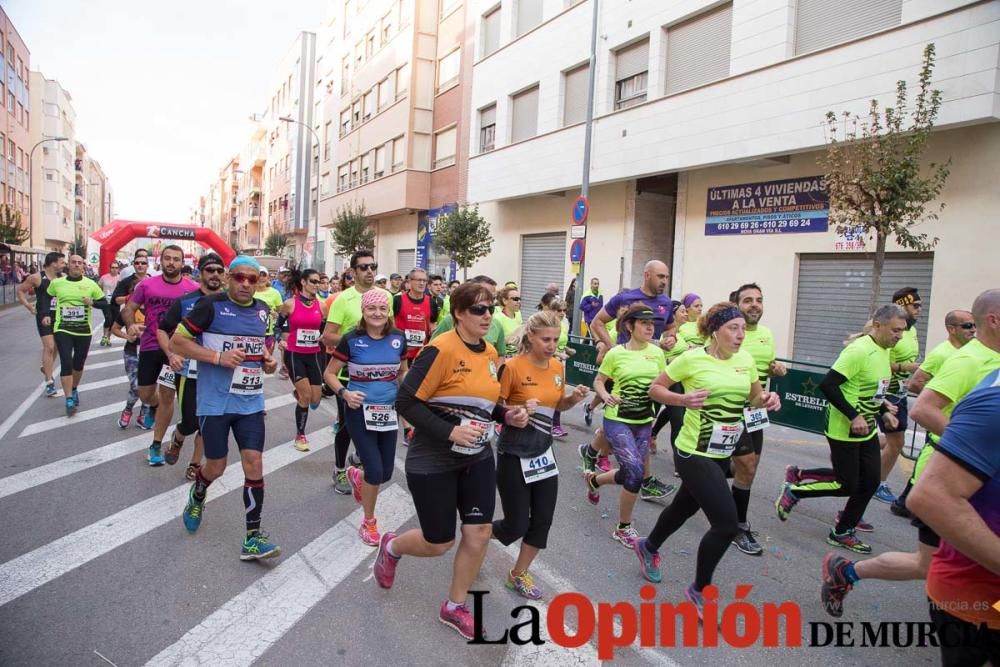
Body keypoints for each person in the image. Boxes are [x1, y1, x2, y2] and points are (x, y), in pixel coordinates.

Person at [375, 281, 527, 640]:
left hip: (476, 457)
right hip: (433, 460)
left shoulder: (490, 352)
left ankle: (454, 606)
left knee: (479, 533)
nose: (487, 315)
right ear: (458, 313)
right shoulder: (439, 349)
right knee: (438, 542)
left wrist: (507, 415)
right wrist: (451, 432)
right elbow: (406, 402)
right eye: (478, 309)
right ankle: (392, 546)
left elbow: (485, 404)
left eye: (490, 308)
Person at [635, 302, 781, 620]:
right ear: (715, 330)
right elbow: (655, 389)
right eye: (733, 328)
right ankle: (700, 590)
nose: (741, 335)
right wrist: (682, 399)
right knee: (726, 524)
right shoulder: (692, 359)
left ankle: (649, 546)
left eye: (743, 328)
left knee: (684, 508)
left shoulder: (745, 361)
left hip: (721, 452)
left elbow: (754, 398)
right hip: (692, 452)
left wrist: (768, 399)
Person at [172, 256, 281, 560]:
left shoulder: (263, 311)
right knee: (216, 467)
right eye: (239, 278)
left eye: (252, 278)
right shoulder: (210, 306)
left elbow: (261, 352)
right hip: (215, 402)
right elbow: (178, 343)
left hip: (250, 402)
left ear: (259, 281)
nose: (245, 284)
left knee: (254, 463)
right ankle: (198, 491)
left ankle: (252, 537)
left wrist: (267, 362)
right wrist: (217, 358)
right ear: (229, 278)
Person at [776, 304, 907, 554]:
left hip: (866, 428)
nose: (899, 336)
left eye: (902, 331)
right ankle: (794, 491)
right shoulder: (858, 351)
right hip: (843, 428)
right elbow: (828, 385)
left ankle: (842, 531)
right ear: (878, 326)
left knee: (869, 482)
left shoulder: (883, 350)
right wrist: (854, 415)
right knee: (847, 484)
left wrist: (882, 412)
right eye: (895, 330)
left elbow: (868, 389)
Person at [493, 310, 591, 599]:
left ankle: (517, 574)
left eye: (556, 340)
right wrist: (517, 411)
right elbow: (493, 410)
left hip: (543, 454)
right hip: (513, 452)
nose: (551, 345)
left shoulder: (558, 369)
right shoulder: (511, 367)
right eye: (546, 339)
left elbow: (557, 406)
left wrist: (573, 399)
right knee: (515, 525)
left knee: (542, 520)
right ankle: (478, 534)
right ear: (531, 337)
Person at [907, 368, 1000, 667]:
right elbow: (931, 497)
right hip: (979, 599)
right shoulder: (992, 397)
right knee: (923, 563)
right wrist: (964, 446)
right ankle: (848, 570)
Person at [580, 260, 678, 503]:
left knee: (636, 420)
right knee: (621, 416)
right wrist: (614, 349)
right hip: (623, 370)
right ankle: (644, 480)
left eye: (666, 277)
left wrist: (670, 339)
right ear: (646, 275)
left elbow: (672, 328)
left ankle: (590, 451)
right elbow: (597, 322)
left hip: (650, 366)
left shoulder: (666, 303)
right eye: (660, 277)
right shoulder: (625, 298)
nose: (664, 282)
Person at [325, 289, 408, 544]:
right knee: (374, 469)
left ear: (388, 312)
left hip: (387, 411)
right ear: (363, 312)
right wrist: (345, 393)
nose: (377, 313)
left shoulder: (398, 338)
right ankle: (369, 523)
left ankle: (355, 476)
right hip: (359, 412)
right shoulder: (351, 339)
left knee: (385, 474)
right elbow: (329, 374)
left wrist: (407, 392)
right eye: (372, 309)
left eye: (382, 309)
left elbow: (403, 371)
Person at [584, 305, 667, 548]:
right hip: (617, 418)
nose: (650, 327)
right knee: (634, 470)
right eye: (643, 323)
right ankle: (624, 527)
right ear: (630, 326)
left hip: (643, 420)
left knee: (633, 475)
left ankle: (595, 481)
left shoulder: (657, 353)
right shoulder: (616, 353)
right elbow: (599, 380)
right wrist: (605, 396)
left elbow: (662, 384)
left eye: (652, 324)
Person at [888, 308, 975, 517]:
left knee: (934, 463)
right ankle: (910, 504)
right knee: (932, 460)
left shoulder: (969, 352)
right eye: (967, 326)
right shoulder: (941, 353)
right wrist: (938, 402)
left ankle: (907, 502)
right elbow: (916, 383)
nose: (973, 330)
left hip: (958, 420)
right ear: (951, 329)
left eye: (974, 325)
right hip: (940, 419)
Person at [321, 250, 394, 494]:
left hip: (379, 375)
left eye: (372, 266)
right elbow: (327, 336)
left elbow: (389, 331)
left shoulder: (386, 297)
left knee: (374, 425)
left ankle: (359, 460)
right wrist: (358, 340)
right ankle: (340, 468)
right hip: (348, 375)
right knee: (346, 426)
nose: (369, 271)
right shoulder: (343, 299)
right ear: (353, 272)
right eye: (363, 267)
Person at [121, 245, 198, 464]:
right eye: (167, 259)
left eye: (176, 259)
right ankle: (152, 406)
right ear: (160, 261)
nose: (171, 263)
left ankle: (156, 445)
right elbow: (128, 309)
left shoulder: (191, 289)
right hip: (149, 346)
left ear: (182, 263)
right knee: (145, 394)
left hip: (175, 350)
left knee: (167, 395)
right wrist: (131, 325)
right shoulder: (146, 285)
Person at [728, 283, 787, 556]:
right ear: (736, 305)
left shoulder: (766, 334)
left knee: (748, 469)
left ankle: (725, 511)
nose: (755, 304)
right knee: (746, 466)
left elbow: (767, 368)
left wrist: (778, 369)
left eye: (759, 300)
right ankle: (736, 525)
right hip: (728, 410)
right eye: (748, 300)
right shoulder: (727, 332)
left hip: (756, 412)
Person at [157, 254, 226, 478]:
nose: (215, 274)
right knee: (190, 420)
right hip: (189, 370)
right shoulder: (185, 301)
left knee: (209, 420)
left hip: (218, 371)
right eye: (210, 270)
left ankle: (195, 463)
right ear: (200, 273)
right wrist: (171, 354)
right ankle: (178, 436)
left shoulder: (230, 302)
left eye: (219, 270)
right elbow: (162, 328)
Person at [874, 287, 924, 505]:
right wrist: (907, 366)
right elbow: (879, 360)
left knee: (893, 441)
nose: (920, 309)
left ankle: (854, 448)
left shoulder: (910, 331)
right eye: (916, 305)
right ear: (902, 305)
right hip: (886, 392)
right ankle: (877, 483)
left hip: (899, 392)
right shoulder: (888, 331)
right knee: (897, 442)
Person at [277, 268, 329, 451]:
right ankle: (300, 435)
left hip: (314, 355)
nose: (317, 285)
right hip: (294, 354)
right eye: (313, 281)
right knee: (306, 397)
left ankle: (300, 393)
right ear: (303, 283)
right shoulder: (290, 304)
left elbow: (325, 331)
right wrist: (280, 340)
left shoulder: (322, 306)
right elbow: (279, 326)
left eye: (319, 281)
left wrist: (326, 339)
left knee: (315, 400)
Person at [46, 255, 106, 415]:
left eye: (80, 263)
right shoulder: (57, 283)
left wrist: (92, 302)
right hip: (62, 329)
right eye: (74, 262)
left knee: (78, 363)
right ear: (68, 265)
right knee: (66, 361)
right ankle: (68, 398)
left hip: (84, 330)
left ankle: (73, 388)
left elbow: (104, 303)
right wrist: (46, 314)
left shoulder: (90, 284)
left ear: (83, 266)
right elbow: (47, 298)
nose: (76, 265)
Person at [393, 268, 439, 443]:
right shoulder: (398, 300)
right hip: (401, 354)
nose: (421, 283)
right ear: (409, 282)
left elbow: (433, 326)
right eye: (417, 280)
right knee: (405, 390)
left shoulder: (431, 302)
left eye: (424, 280)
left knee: (418, 393)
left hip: (421, 355)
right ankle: (407, 429)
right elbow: (390, 324)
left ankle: (416, 427)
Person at [16, 251, 66, 397]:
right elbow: (20, 291)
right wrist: (28, 306)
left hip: (59, 316)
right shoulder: (36, 277)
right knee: (49, 347)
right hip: (44, 316)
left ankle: (47, 368)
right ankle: (49, 382)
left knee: (56, 347)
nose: (64, 265)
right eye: (62, 262)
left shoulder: (62, 277)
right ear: (53, 263)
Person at [431, 275, 507, 356]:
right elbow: (431, 352)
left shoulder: (491, 348)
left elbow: (500, 355)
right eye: (479, 309)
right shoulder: (448, 322)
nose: (489, 299)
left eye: (493, 297)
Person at [112, 280, 144, 428]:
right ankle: (128, 409)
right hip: (132, 352)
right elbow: (115, 328)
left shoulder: (158, 309)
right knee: (136, 386)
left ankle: (144, 413)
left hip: (151, 352)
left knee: (149, 386)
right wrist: (127, 336)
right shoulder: (128, 311)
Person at [543, 297, 574, 438]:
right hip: (545, 361)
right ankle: (547, 423)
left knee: (558, 394)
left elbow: (560, 341)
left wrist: (567, 350)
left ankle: (554, 425)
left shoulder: (565, 323)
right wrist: (557, 353)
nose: (562, 313)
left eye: (564, 310)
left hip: (560, 364)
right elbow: (542, 344)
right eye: (558, 310)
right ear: (552, 310)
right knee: (549, 394)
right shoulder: (546, 323)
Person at [494, 286, 523, 358]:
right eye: (515, 299)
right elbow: (491, 344)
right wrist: (507, 340)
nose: (519, 302)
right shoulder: (497, 318)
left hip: (519, 354)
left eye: (520, 299)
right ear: (505, 301)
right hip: (504, 356)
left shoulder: (518, 314)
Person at [97, 262, 121, 346]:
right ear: (110, 268)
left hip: (115, 302)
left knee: (113, 320)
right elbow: (99, 287)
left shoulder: (120, 278)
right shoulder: (104, 277)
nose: (114, 269)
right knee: (108, 318)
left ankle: (108, 337)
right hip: (106, 302)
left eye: (116, 268)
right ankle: (104, 336)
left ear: (118, 269)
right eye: (113, 267)